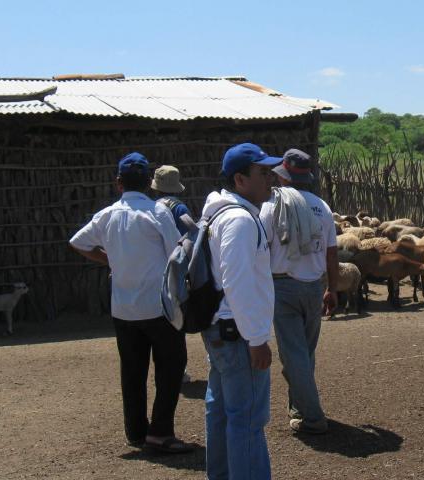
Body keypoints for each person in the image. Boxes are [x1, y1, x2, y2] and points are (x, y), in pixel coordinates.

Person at [69, 152, 191, 453]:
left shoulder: (107, 215)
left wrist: (110, 259)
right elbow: (178, 254)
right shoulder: (157, 213)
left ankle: (136, 432)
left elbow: (78, 242)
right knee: (171, 366)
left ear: (118, 183)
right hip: (158, 306)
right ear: (149, 184)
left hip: (123, 309)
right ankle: (160, 432)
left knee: (133, 371)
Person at [201, 143, 281, 480]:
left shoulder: (219, 212)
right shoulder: (239, 220)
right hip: (236, 333)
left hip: (222, 330)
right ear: (240, 179)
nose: (271, 179)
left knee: (221, 412)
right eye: (262, 173)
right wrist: (256, 338)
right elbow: (237, 283)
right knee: (247, 419)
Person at [259, 148, 338, 434]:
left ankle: (314, 419)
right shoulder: (323, 208)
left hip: (283, 286)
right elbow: (331, 255)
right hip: (314, 287)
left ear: (283, 176)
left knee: (294, 356)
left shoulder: (270, 207)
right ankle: (298, 408)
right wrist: (333, 289)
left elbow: (261, 249)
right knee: (305, 353)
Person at [150, 164, 194, 384]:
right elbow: (190, 236)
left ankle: (163, 369)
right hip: (174, 271)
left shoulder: (149, 208)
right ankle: (178, 371)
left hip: (153, 271)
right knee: (176, 320)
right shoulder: (179, 208)